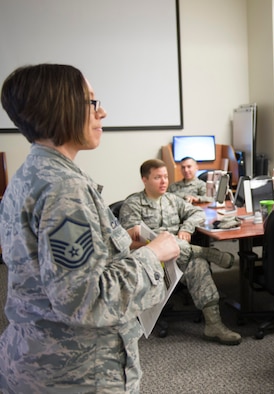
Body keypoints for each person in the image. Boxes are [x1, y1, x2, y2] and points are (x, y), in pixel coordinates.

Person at [0, 64, 181, 392]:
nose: (103, 112)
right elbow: (87, 301)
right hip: (77, 372)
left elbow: (46, 262)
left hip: (34, 359)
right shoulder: (65, 188)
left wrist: (117, 241)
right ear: (62, 108)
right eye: (92, 103)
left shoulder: (31, 173)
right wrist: (154, 255)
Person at [119, 159, 241, 345]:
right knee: (166, 241)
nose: (163, 182)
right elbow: (128, 241)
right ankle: (208, 253)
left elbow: (197, 213)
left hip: (179, 256)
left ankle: (213, 325)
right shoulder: (133, 204)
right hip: (149, 260)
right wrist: (160, 243)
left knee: (197, 264)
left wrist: (186, 229)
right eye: (157, 177)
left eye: (166, 177)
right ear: (144, 179)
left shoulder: (172, 200)